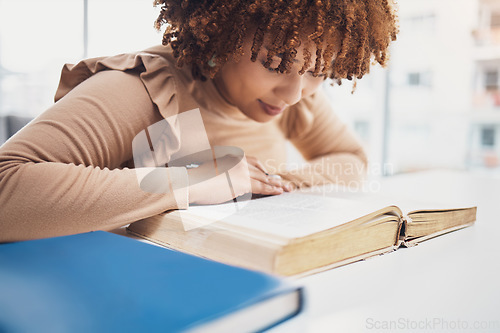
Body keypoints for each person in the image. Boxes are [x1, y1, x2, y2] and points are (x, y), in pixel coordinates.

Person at [0, 0, 398, 242]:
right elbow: (8, 187)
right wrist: (195, 181)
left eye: (320, 72)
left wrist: (263, 184)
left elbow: (351, 160)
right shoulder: (143, 89)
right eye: (276, 64)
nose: (295, 94)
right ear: (220, 34)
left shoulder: (294, 98)